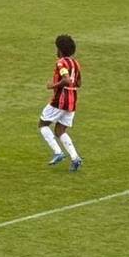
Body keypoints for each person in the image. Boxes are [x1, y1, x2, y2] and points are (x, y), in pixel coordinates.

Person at [38, 34, 83, 171]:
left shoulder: (61, 62)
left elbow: (67, 79)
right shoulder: (76, 63)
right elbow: (78, 83)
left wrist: (53, 85)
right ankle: (75, 158)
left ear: (61, 50)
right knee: (60, 130)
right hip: (72, 100)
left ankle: (58, 152)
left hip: (61, 99)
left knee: (43, 124)